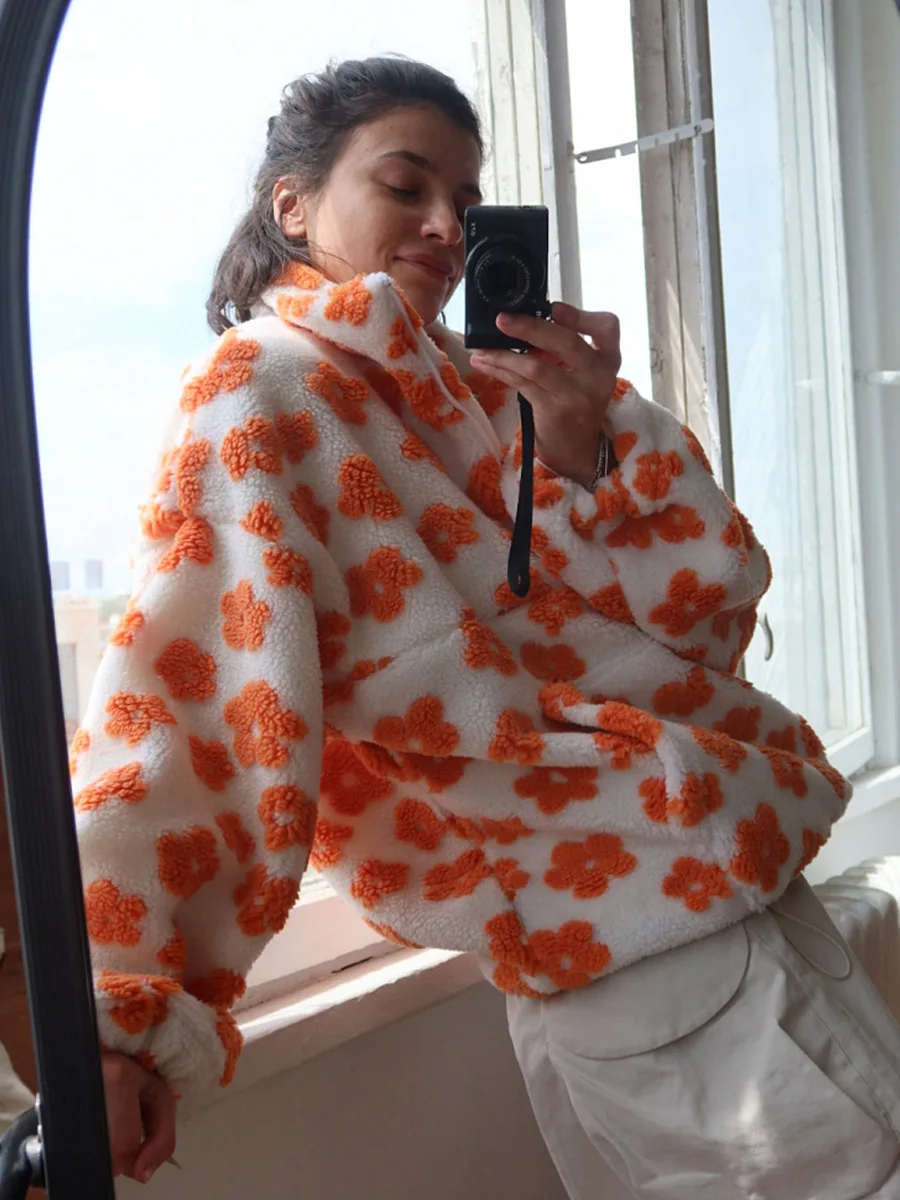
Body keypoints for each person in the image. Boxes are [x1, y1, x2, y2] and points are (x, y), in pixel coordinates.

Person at [69, 56, 900, 1198]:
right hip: (633, 935)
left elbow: (706, 623)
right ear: (292, 204)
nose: (445, 225)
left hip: (652, 916)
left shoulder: (485, 387)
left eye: (466, 200)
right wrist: (120, 1002)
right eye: (404, 185)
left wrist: (593, 449)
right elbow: (198, 696)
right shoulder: (265, 388)